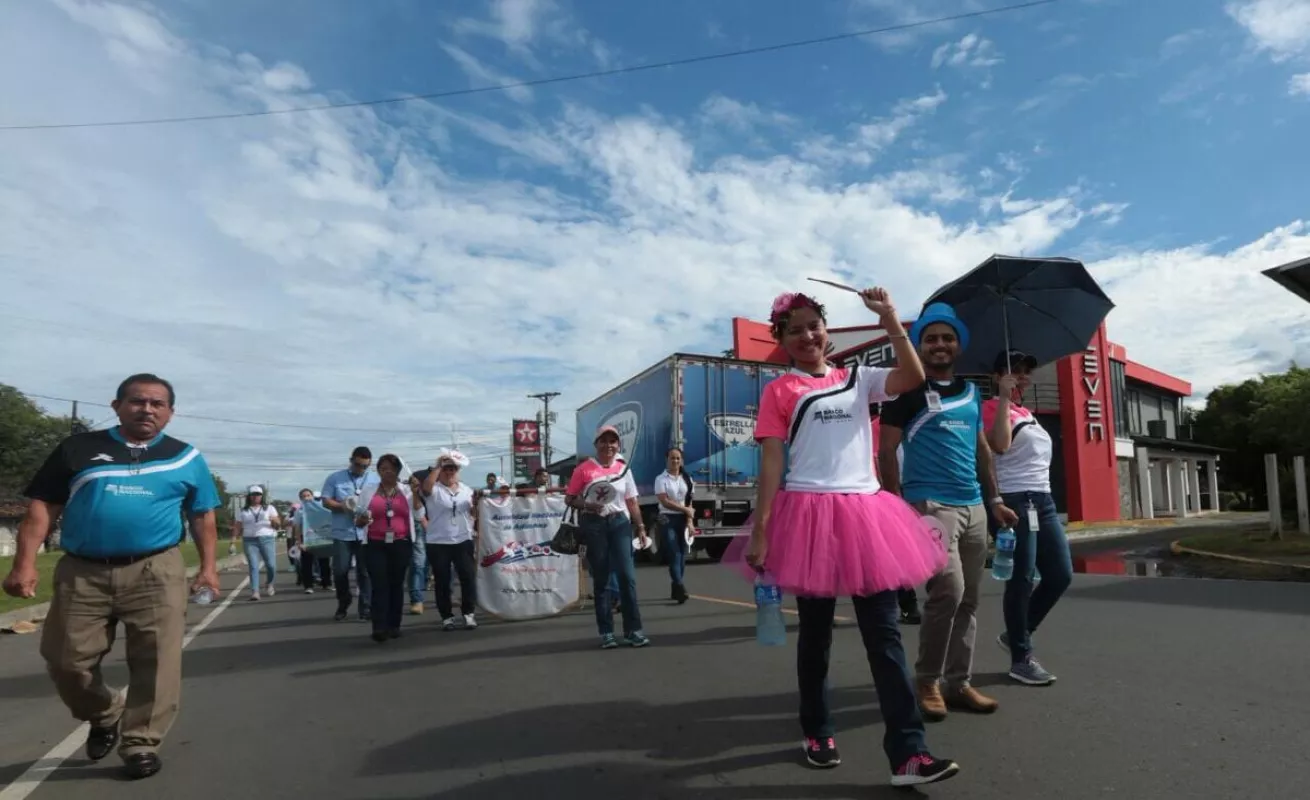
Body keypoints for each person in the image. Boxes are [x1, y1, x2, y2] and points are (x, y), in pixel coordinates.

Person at [735, 290, 957, 788]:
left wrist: (890, 317)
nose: (807, 336)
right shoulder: (780, 391)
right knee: (815, 636)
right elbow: (772, 461)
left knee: (885, 636)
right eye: (795, 330)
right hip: (807, 515)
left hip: (866, 515)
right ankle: (816, 729)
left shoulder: (859, 378)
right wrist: (762, 528)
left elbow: (913, 377)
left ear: (826, 329)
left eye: (813, 325)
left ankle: (909, 753)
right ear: (782, 339)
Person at [1, 374, 221, 781]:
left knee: (157, 660)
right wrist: (24, 563)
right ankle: (104, 713)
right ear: (117, 406)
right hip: (83, 570)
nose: (147, 409)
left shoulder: (185, 457)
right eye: (137, 401)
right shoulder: (77, 449)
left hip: (156, 569)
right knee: (65, 660)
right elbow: (43, 507)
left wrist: (208, 568)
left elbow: (202, 515)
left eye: (157, 404)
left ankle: (141, 742)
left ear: (170, 413)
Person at [878, 303, 1018, 723]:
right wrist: (896, 505)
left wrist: (995, 500)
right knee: (948, 593)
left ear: (959, 344)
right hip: (930, 506)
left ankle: (958, 683)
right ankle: (927, 680)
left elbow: (982, 450)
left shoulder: (972, 393)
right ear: (919, 345)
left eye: (947, 338)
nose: (940, 344)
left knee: (970, 599)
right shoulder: (905, 392)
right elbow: (886, 451)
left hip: (974, 507)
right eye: (931, 338)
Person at [983, 349, 1073, 686]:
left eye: (1025, 372)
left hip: (1043, 501)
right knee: (1020, 579)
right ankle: (1021, 658)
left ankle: (1016, 634)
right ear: (997, 377)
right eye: (1015, 370)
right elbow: (1000, 445)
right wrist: (1004, 398)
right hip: (1014, 501)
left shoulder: (1028, 414)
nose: (1022, 376)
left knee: (1060, 575)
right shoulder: (989, 408)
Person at [567, 426, 651, 649]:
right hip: (594, 524)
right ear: (596, 444)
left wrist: (641, 527)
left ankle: (633, 630)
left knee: (627, 577)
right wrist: (588, 505)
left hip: (620, 523)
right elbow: (570, 498)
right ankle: (607, 632)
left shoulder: (624, 470)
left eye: (613, 441)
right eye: (603, 441)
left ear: (618, 445)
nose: (608, 445)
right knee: (602, 579)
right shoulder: (583, 470)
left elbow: (631, 501)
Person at [356, 454, 416, 642]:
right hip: (375, 543)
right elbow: (358, 519)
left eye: (390, 469)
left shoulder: (407, 491)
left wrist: (417, 493)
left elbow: (419, 512)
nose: (386, 472)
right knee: (379, 584)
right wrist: (362, 519)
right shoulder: (369, 490)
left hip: (401, 542)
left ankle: (394, 624)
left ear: (398, 471)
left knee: (396, 584)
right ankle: (379, 626)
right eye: (382, 469)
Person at [420, 449, 479, 631]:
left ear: (458, 470)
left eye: (453, 468)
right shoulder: (435, 489)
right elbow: (425, 489)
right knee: (443, 581)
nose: (449, 472)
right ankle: (447, 616)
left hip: (463, 539)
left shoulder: (466, 490)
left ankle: (468, 613)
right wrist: (439, 465)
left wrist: (476, 505)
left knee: (468, 577)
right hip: (438, 541)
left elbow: (474, 513)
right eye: (446, 468)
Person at [321, 447, 375, 622]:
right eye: (358, 465)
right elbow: (325, 501)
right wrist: (342, 507)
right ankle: (344, 601)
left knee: (365, 572)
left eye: (365, 466)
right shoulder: (335, 478)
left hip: (366, 532)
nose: (361, 469)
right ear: (351, 460)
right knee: (340, 571)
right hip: (342, 533)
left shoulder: (375, 479)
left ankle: (366, 607)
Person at [654, 447, 695, 604]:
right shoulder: (661, 479)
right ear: (667, 460)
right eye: (672, 458)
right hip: (666, 518)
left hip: (683, 519)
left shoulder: (687, 479)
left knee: (683, 554)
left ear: (681, 460)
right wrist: (685, 509)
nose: (675, 461)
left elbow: (690, 502)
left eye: (678, 458)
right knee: (674, 552)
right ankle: (679, 586)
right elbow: (664, 501)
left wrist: (690, 522)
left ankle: (676, 586)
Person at [233, 485, 279, 600]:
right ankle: (255, 591)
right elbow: (237, 526)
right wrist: (232, 541)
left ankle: (269, 583)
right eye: (253, 494)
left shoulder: (269, 508)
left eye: (258, 494)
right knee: (253, 566)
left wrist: (274, 521)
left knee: (271, 565)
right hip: (250, 540)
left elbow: (278, 523)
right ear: (249, 496)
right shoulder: (243, 510)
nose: (255, 497)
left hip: (267, 538)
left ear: (262, 496)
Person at [292, 488, 332, 593]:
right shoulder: (299, 511)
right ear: (300, 499)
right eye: (303, 496)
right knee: (307, 563)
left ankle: (326, 584)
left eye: (308, 495)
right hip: (307, 539)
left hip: (321, 538)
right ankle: (308, 586)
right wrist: (299, 542)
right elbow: (297, 527)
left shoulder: (321, 508)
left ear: (312, 496)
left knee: (324, 562)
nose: (306, 498)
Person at [405, 472, 431, 615]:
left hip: (431, 529)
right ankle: (417, 600)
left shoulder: (430, 494)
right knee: (418, 563)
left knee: (425, 565)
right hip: (415, 528)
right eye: (412, 482)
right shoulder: (407, 494)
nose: (415, 485)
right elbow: (418, 512)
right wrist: (414, 493)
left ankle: (420, 589)